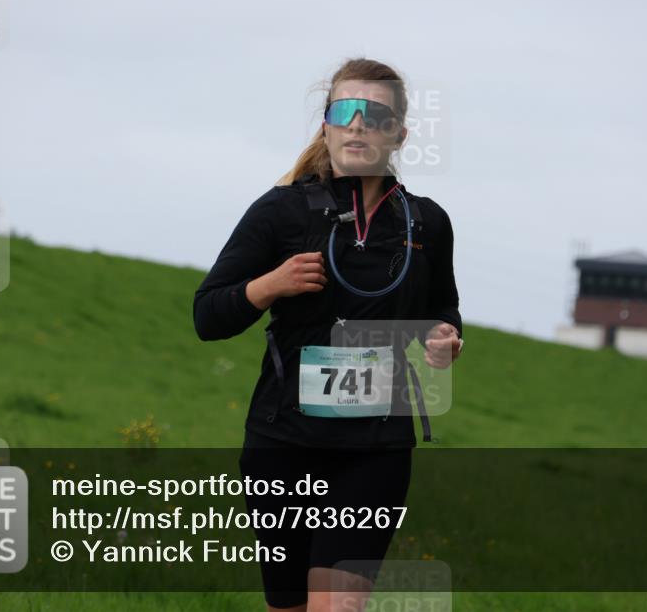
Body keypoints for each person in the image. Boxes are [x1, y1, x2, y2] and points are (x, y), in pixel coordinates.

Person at [193, 58, 463, 612]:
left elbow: (443, 308)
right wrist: (270, 285)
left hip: (376, 448)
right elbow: (208, 315)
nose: (358, 124)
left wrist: (444, 337)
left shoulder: (427, 223)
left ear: (399, 134)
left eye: (375, 114)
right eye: (345, 111)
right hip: (282, 444)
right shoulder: (280, 212)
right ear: (326, 125)